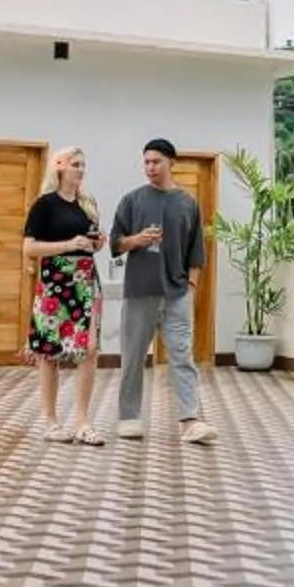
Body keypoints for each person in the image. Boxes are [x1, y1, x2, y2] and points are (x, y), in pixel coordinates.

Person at [112, 137, 216, 446]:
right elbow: (116, 244)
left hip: (177, 295)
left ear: (172, 163)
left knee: (182, 356)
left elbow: (197, 252)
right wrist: (138, 240)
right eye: (146, 162)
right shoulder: (132, 200)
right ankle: (129, 418)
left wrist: (191, 287)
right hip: (139, 291)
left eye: (156, 161)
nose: (150, 167)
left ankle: (191, 422)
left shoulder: (188, 203)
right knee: (132, 358)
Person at [22, 147, 106, 444]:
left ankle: (83, 421)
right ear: (60, 167)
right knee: (49, 351)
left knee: (90, 348)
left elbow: (92, 243)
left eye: (83, 164)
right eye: (75, 164)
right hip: (54, 282)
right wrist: (68, 244)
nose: (80, 170)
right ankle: (50, 421)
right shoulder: (44, 205)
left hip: (84, 280)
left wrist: (97, 244)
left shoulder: (87, 203)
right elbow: (29, 248)